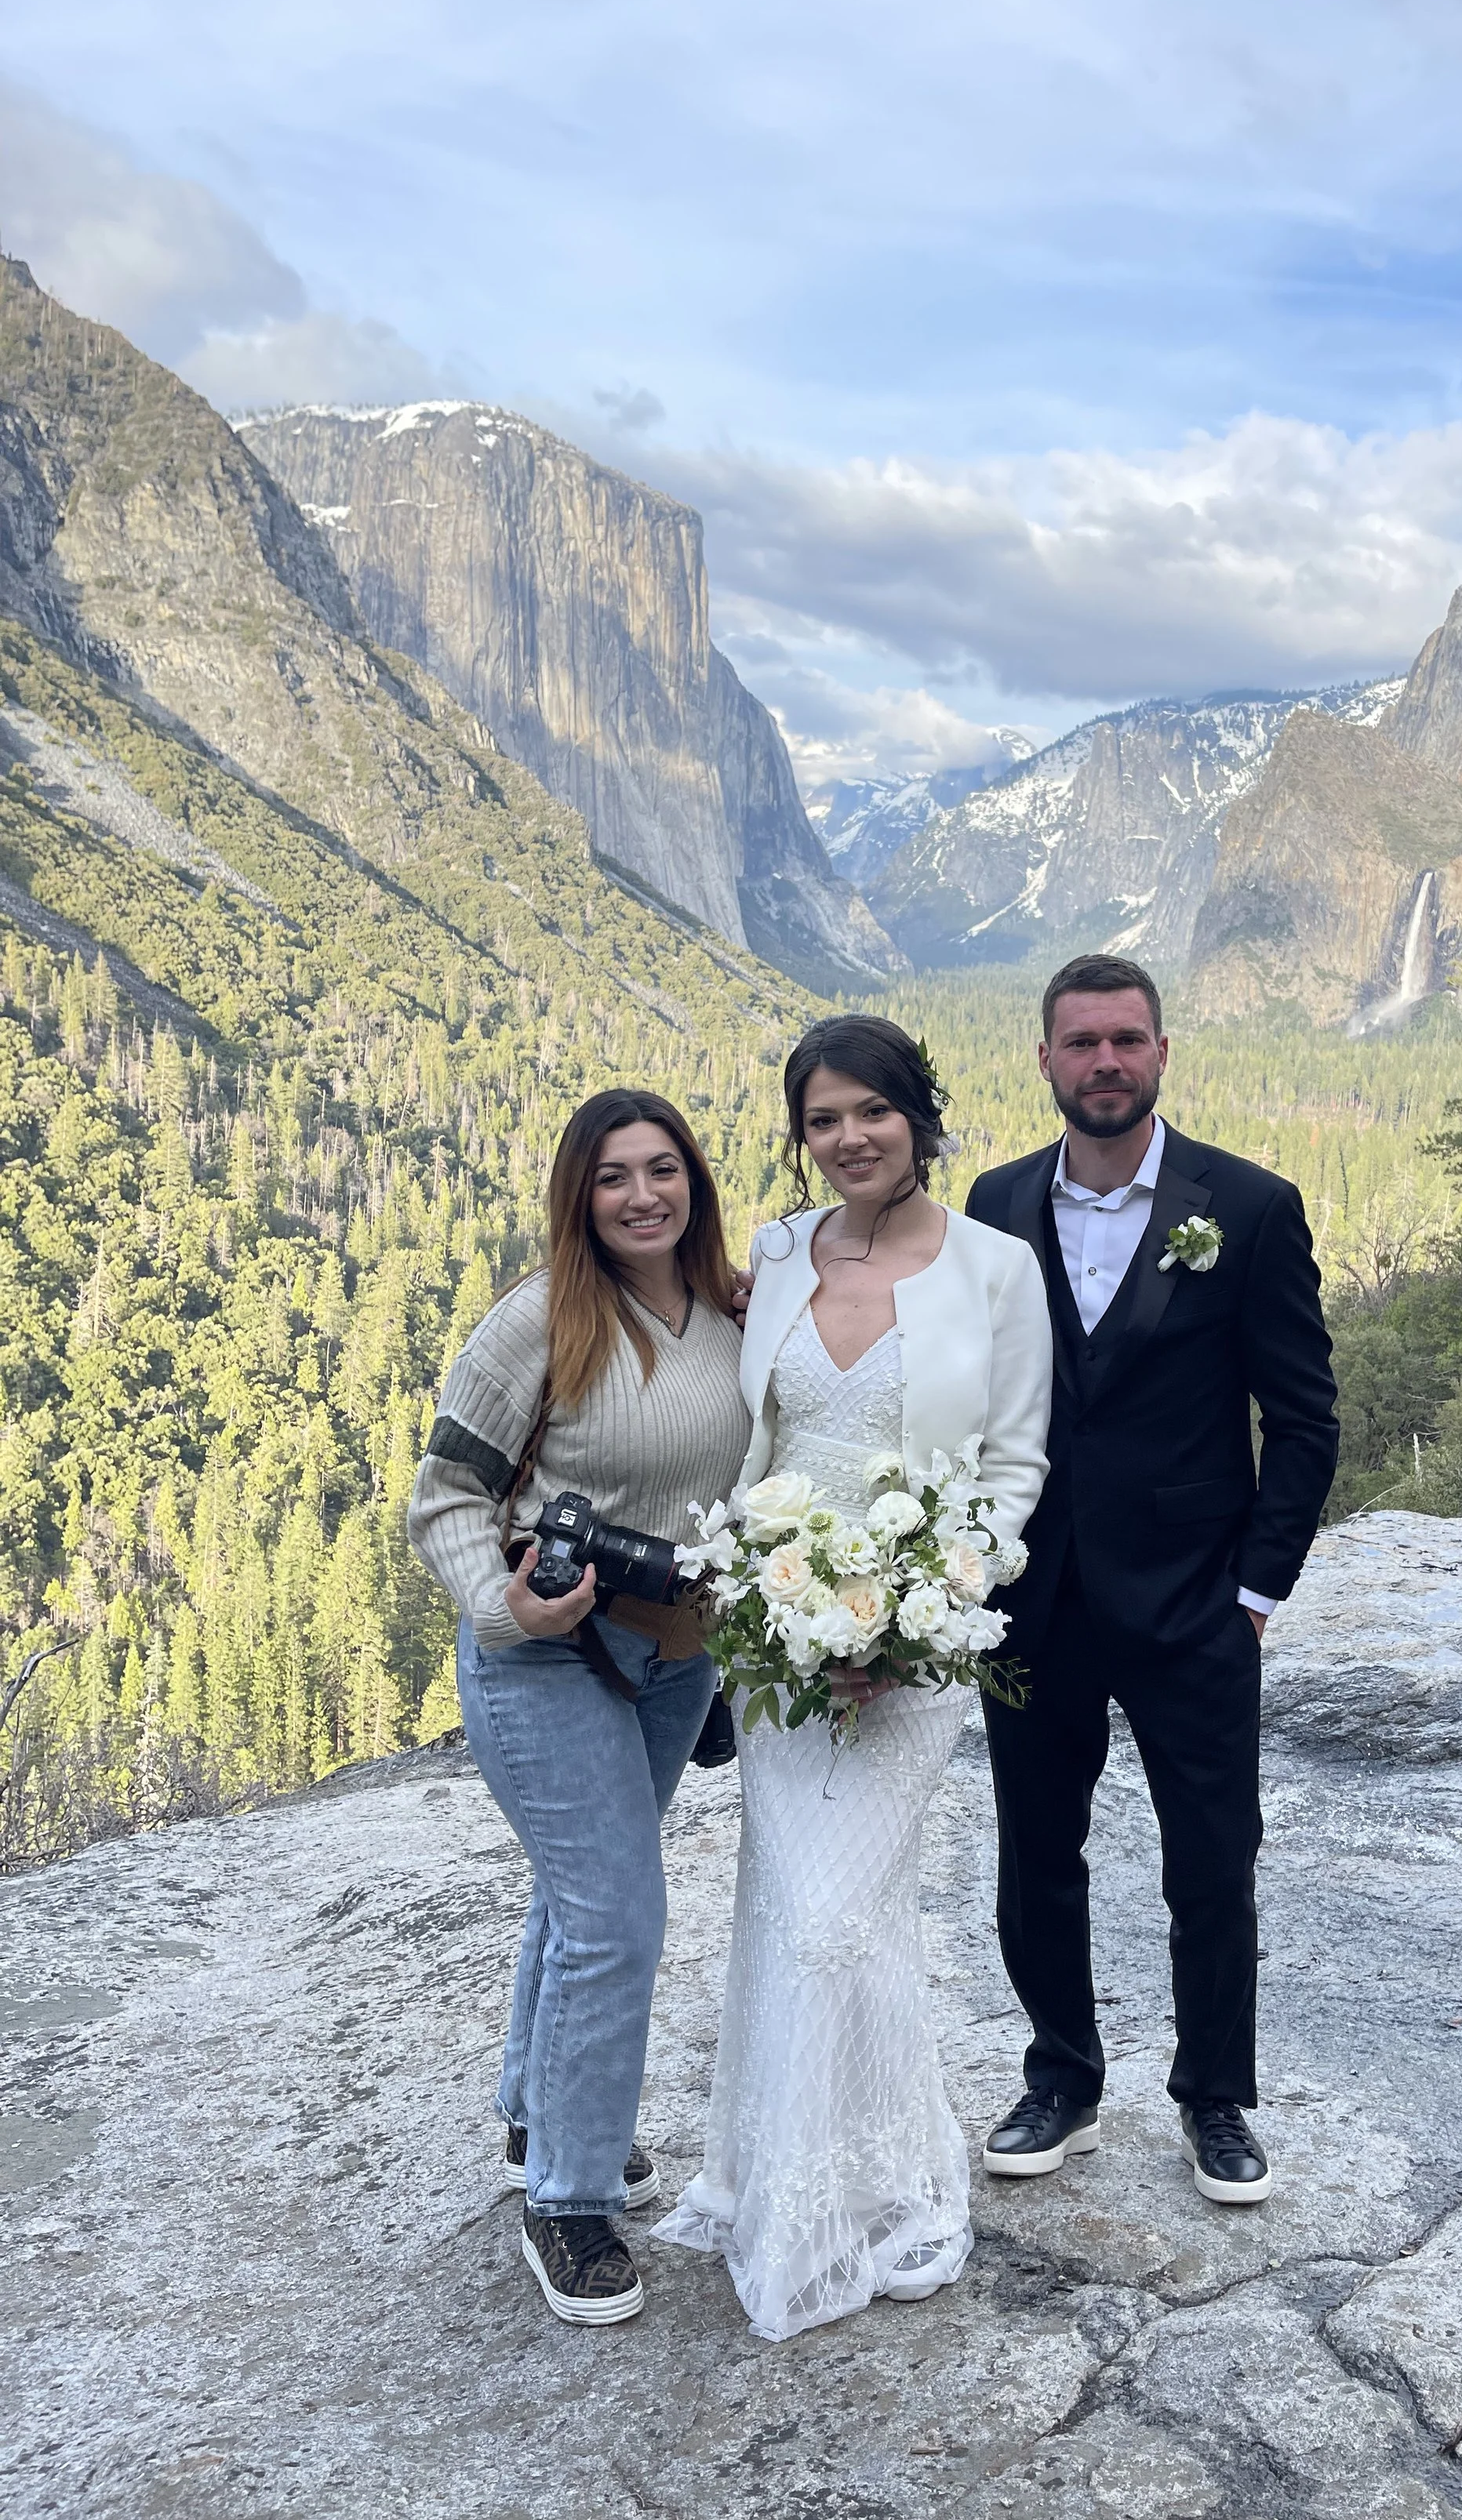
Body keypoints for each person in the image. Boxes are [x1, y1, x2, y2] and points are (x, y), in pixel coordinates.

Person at [653, 1016, 1050, 2341]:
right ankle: (780, 2174)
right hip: (776, 1643)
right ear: (800, 1135)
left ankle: (874, 2192)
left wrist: (926, 1614)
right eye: (822, 1120)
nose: (850, 1139)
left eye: (872, 1111)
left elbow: (1012, 1469)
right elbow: (723, 1418)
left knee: (839, 1915)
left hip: (914, 1646)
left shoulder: (996, 1269)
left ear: (920, 1118)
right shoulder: (774, 1258)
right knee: (791, 1908)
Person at [966, 953, 1339, 2206]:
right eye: (1082, 1043)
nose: (1106, 1062)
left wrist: (1255, 1590)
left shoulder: (1249, 1205)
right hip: (1032, 1600)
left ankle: (1216, 2099)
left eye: (1127, 1039)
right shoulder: (993, 1205)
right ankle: (1062, 2077)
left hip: (1193, 1606)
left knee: (1213, 1861)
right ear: (1047, 1061)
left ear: (1163, 1053)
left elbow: (1303, 1419)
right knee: (1036, 1853)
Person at [408, 1090, 749, 2326]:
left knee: (581, 1896)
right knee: (617, 1916)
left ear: (695, 1184)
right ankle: (568, 2199)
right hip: (546, 1654)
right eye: (615, 1178)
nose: (644, 1195)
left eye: (665, 1170)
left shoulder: (730, 1310)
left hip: (676, 1656)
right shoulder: (536, 1325)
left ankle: (534, 2116)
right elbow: (443, 1498)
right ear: (579, 1195)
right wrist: (505, 1607)